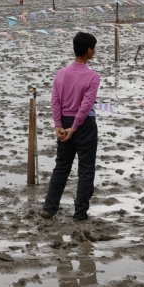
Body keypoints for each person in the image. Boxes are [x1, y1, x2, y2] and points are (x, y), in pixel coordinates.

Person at [41, 32, 100, 222]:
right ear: (88, 51)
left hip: (65, 123)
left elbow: (55, 101)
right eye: (94, 48)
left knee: (62, 167)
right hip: (83, 126)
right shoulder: (92, 77)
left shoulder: (61, 74)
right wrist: (73, 128)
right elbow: (85, 106)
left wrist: (58, 125)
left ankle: (49, 208)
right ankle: (80, 213)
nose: (94, 51)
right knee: (86, 169)